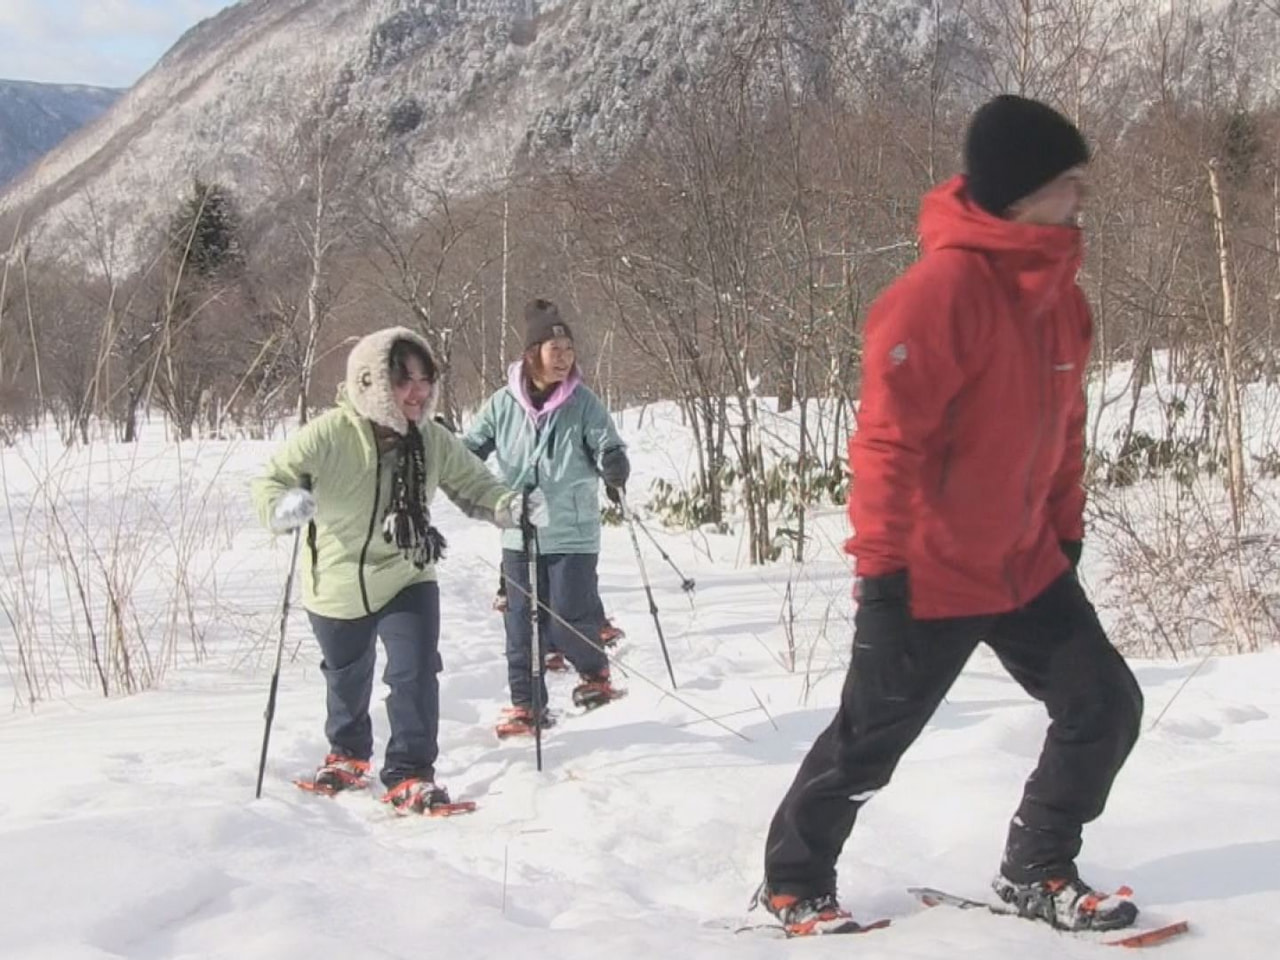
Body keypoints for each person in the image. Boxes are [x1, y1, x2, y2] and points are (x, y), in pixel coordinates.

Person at [754, 95, 1144, 937]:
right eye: (1068, 182)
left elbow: (1065, 432)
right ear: (1020, 192)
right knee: (869, 741)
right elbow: (888, 445)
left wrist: (1064, 531)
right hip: (932, 570)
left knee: (1106, 704)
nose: (1081, 196)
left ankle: (1038, 863)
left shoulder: (1064, 302)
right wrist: (883, 572)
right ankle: (795, 880)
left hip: (1025, 562)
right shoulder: (939, 295)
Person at [251, 327, 545, 813]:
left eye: (425, 380)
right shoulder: (330, 435)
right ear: (370, 382)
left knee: (415, 671)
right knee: (346, 676)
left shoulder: (431, 439)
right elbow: (272, 480)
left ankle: (411, 772)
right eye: (404, 380)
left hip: (407, 572)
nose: (418, 392)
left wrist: (511, 507)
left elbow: (476, 485)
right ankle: (348, 753)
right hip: (337, 580)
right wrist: (282, 508)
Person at [464, 298, 630, 736]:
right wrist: (454, 456)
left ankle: (594, 672)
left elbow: (607, 442)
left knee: (568, 616)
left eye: (569, 350)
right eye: (555, 351)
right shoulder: (502, 404)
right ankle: (527, 706)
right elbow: (472, 447)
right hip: (519, 531)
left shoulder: (583, 403)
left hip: (572, 530)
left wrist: (614, 462)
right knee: (521, 625)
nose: (564, 359)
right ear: (532, 353)